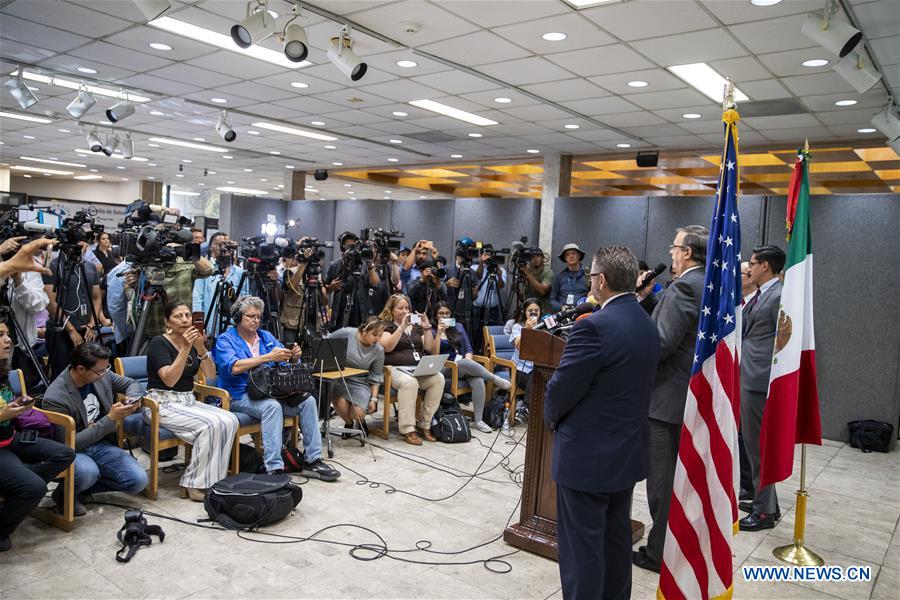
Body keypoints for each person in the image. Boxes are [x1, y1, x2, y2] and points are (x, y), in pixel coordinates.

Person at [545, 245, 659, 600]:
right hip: (625, 454)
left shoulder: (593, 327)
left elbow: (561, 390)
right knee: (614, 542)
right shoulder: (646, 321)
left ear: (602, 280)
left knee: (582, 554)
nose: (591, 282)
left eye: (592, 276)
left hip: (587, 457)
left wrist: (552, 422)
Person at [634, 224, 708, 573]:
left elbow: (661, 343)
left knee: (661, 484)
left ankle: (658, 553)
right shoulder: (707, 283)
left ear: (688, 252)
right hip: (687, 395)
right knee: (674, 481)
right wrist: (647, 299)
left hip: (666, 399)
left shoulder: (684, 287)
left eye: (675, 247)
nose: (671, 253)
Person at [214, 296, 339, 480]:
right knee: (271, 406)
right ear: (238, 317)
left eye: (258, 316)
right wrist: (268, 358)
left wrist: (293, 356)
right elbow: (234, 367)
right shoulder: (225, 340)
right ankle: (274, 469)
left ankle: (313, 460)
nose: (255, 320)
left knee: (308, 401)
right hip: (239, 395)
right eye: (250, 316)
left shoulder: (266, 337)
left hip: (270, 392)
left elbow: (283, 363)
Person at [145, 301, 239, 501]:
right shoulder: (158, 343)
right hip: (162, 402)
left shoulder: (193, 343)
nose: (185, 320)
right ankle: (193, 483)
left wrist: (201, 347)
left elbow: (211, 374)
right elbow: (169, 380)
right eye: (179, 316)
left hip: (188, 400)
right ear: (167, 322)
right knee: (210, 425)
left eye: (188, 315)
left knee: (230, 420)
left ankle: (212, 480)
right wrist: (186, 348)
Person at [42, 342, 149, 516]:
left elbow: (132, 383)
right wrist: (110, 419)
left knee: (137, 481)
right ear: (81, 369)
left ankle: (81, 489)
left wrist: (132, 399)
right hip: (75, 451)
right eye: (100, 371)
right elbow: (68, 445)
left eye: (106, 369)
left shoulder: (101, 374)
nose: (104, 374)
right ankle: (65, 493)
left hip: (102, 445)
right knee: (87, 472)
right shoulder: (56, 397)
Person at [0, 317, 76, 553]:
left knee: (65, 454)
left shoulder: (3, 369)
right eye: (1, 335)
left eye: (6, 333)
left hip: (11, 438)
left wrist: (18, 407)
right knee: (35, 488)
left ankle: (19, 486)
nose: (7, 340)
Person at [739, 245, 786, 532]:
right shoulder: (761, 295)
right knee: (753, 444)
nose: (750, 269)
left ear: (765, 266)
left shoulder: (778, 295)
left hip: (759, 379)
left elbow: (783, 341)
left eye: (753, 264)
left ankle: (764, 513)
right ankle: (767, 501)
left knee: (757, 447)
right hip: (750, 375)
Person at [431, 302, 510, 433]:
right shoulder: (433, 330)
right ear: (435, 315)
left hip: (462, 366)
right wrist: (440, 333)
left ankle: (478, 420)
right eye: (441, 313)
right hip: (445, 368)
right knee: (462, 364)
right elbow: (434, 355)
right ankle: (493, 378)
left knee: (478, 380)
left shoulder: (458, 327)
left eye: (447, 313)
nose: (444, 316)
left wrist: (468, 363)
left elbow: (468, 349)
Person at [378, 293, 444, 446]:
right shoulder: (386, 325)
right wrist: (401, 327)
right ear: (391, 309)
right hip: (393, 369)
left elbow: (429, 348)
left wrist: (427, 328)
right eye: (400, 308)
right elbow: (387, 347)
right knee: (410, 383)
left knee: (438, 378)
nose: (405, 311)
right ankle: (407, 429)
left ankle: (424, 424)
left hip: (416, 368)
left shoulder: (415, 327)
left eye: (407, 307)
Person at [42, 244, 109, 380]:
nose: (79, 246)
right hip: (61, 330)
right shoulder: (53, 266)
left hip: (87, 330)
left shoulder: (89, 267)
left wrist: (92, 323)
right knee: (62, 376)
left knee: (91, 374)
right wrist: (72, 331)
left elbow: (96, 298)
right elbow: (50, 301)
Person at [1, 236, 49, 391]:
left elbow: (39, 305)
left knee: (22, 391)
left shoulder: (29, 269)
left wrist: (19, 282)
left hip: (22, 345)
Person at [328, 318, 386, 433]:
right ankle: (348, 425)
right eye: (374, 335)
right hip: (341, 378)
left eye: (380, 335)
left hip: (361, 381)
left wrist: (374, 399)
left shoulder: (378, 350)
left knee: (357, 413)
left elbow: (376, 375)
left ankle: (361, 420)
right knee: (340, 404)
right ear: (364, 330)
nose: (377, 339)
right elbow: (327, 341)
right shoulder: (348, 333)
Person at [192, 232, 247, 338]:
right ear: (212, 247)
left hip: (233, 329)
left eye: (228, 244)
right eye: (221, 244)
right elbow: (197, 299)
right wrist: (198, 329)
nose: (225, 247)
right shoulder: (205, 270)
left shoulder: (240, 273)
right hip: (209, 328)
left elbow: (244, 300)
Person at [508, 298, 542, 412]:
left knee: (543, 375)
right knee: (537, 378)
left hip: (537, 367)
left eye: (536, 310)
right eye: (530, 310)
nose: (533, 313)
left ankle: (537, 411)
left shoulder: (544, 326)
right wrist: (527, 329)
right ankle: (527, 408)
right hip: (518, 368)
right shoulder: (517, 327)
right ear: (524, 312)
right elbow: (519, 346)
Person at [549, 243, 590, 312]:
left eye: (573, 253)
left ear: (579, 256)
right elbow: (552, 299)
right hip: (564, 314)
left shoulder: (588, 275)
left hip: (583, 313)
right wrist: (561, 307)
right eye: (567, 254)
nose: (571, 256)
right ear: (565, 258)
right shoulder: (559, 277)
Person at [518, 248, 554, 315]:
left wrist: (528, 273)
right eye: (533, 256)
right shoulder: (528, 272)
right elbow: (525, 298)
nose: (535, 258)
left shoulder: (548, 272)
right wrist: (517, 290)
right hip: (530, 311)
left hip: (543, 312)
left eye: (538, 256)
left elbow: (542, 291)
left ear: (542, 258)